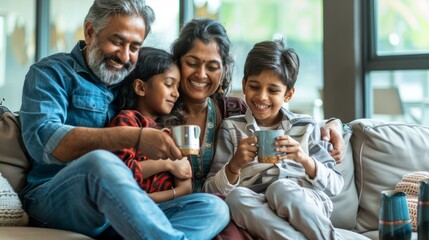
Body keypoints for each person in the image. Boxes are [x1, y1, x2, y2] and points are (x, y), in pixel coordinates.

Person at [18, 1, 229, 239]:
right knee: (101, 162)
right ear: (90, 32)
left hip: (120, 208)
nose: (124, 55)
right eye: (117, 42)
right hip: (56, 196)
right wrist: (135, 138)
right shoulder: (52, 73)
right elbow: (42, 141)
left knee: (213, 207)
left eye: (134, 47)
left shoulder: (131, 82)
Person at [161, 18, 346, 194]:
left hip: (231, 206)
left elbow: (280, 120)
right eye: (192, 63)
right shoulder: (159, 107)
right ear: (177, 63)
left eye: (212, 67)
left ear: (223, 70)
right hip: (181, 202)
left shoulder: (231, 108)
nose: (201, 75)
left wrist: (334, 125)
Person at [203, 39, 344, 240]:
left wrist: (304, 159)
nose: (262, 97)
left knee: (281, 188)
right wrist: (234, 166)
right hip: (260, 208)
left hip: (304, 200)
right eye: (254, 86)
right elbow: (210, 189)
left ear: (288, 94)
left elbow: (336, 185)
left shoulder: (305, 126)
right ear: (244, 85)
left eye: (273, 90)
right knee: (235, 199)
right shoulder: (231, 128)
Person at [110, 46, 192, 203]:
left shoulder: (172, 130)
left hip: (165, 206)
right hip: (129, 206)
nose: (176, 93)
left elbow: (185, 189)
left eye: (177, 87)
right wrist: (167, 163)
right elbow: (120, 173)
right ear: (141, 87)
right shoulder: (127, 121)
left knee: (213, 205)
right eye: (169, 84)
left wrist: (147, 200)